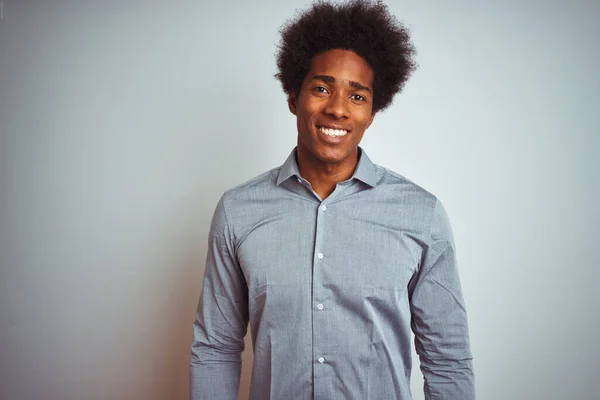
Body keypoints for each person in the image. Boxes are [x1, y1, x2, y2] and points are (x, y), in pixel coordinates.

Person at [190, 1, 475, 399]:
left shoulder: (421, 215)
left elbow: (447, 358)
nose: (338, 108)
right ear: (294, 97)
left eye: (357, 96)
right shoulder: (238, 211)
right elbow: (215, 348)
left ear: (372, 112)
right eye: (322, 88)